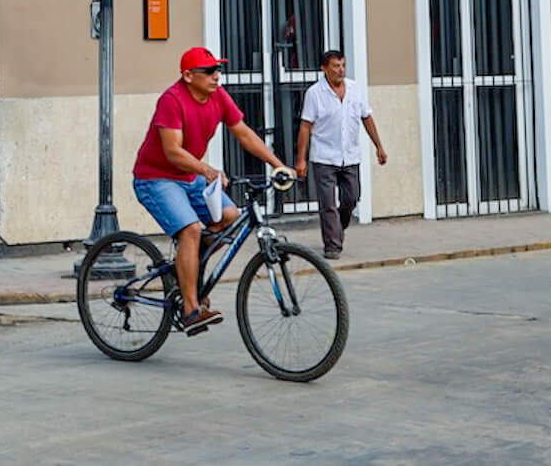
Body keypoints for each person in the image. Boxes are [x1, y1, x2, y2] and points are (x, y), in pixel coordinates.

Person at [131, 47, 293, 335]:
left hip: (190, 177)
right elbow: (172, 152)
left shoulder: (218, 95)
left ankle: (190, 266)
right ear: (188, 76)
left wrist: (279, 165)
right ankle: (191, 308)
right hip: (156, 178)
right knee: (191, 230)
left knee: (231, 217)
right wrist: (207, 171)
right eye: (209, 71)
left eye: (218, 69)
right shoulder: (172, 100)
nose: (216, 76)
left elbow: (243, 132)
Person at [293, 50, 387, 260]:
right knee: (327, 204)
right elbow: (305, 127)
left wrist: (379, 146)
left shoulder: (354, 89)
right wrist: (301, 159)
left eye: (343, 65)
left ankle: (338, 228)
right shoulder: (314, 93)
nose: (340, 70)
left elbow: (367, 118)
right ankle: (332, 246)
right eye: (335, 66)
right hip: (324, 157)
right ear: (324, 68)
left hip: (350, 156)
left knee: (351, 198)